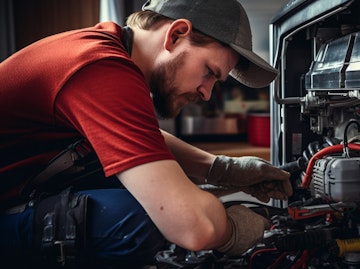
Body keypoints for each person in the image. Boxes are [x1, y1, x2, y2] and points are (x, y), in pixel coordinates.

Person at [0, 0, 293, 267]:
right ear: (176, 34)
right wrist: (231, 231)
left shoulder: (108, 47)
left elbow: (135, 135)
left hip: (19, 188)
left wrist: (223, 170)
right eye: (208, 72)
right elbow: (194, 228)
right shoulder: (101, 68)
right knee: (139, 222)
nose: (206, 93)